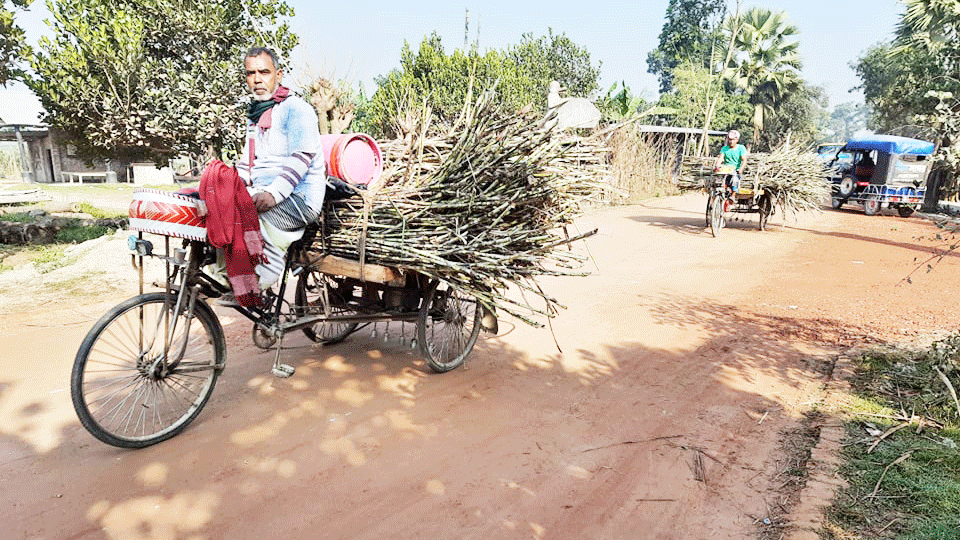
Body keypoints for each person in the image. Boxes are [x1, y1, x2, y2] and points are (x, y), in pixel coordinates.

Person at [203, 46, 328, 305]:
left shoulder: (297, 109)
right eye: (250, 73)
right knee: (221, 210)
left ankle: (259, 283)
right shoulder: (255, 114)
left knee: (251, 215)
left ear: (278, 74)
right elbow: (248, 163)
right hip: (265, 190)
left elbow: (302, 157)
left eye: (264, 72)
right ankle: (230, 277)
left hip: (299, 197)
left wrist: (273, 193)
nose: (257, 79)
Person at [714, 130, 748, 200]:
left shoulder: (741, 148)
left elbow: (744, 160)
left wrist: (741, 169)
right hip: (726, 169)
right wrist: (717, 166)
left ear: (737, 140)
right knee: (717, 181)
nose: (731, 141)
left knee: (735, 179)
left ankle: (733, 194)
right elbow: (720, 158)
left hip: (735, 170)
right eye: (729, 139)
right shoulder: (724, 149)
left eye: (733, 139)